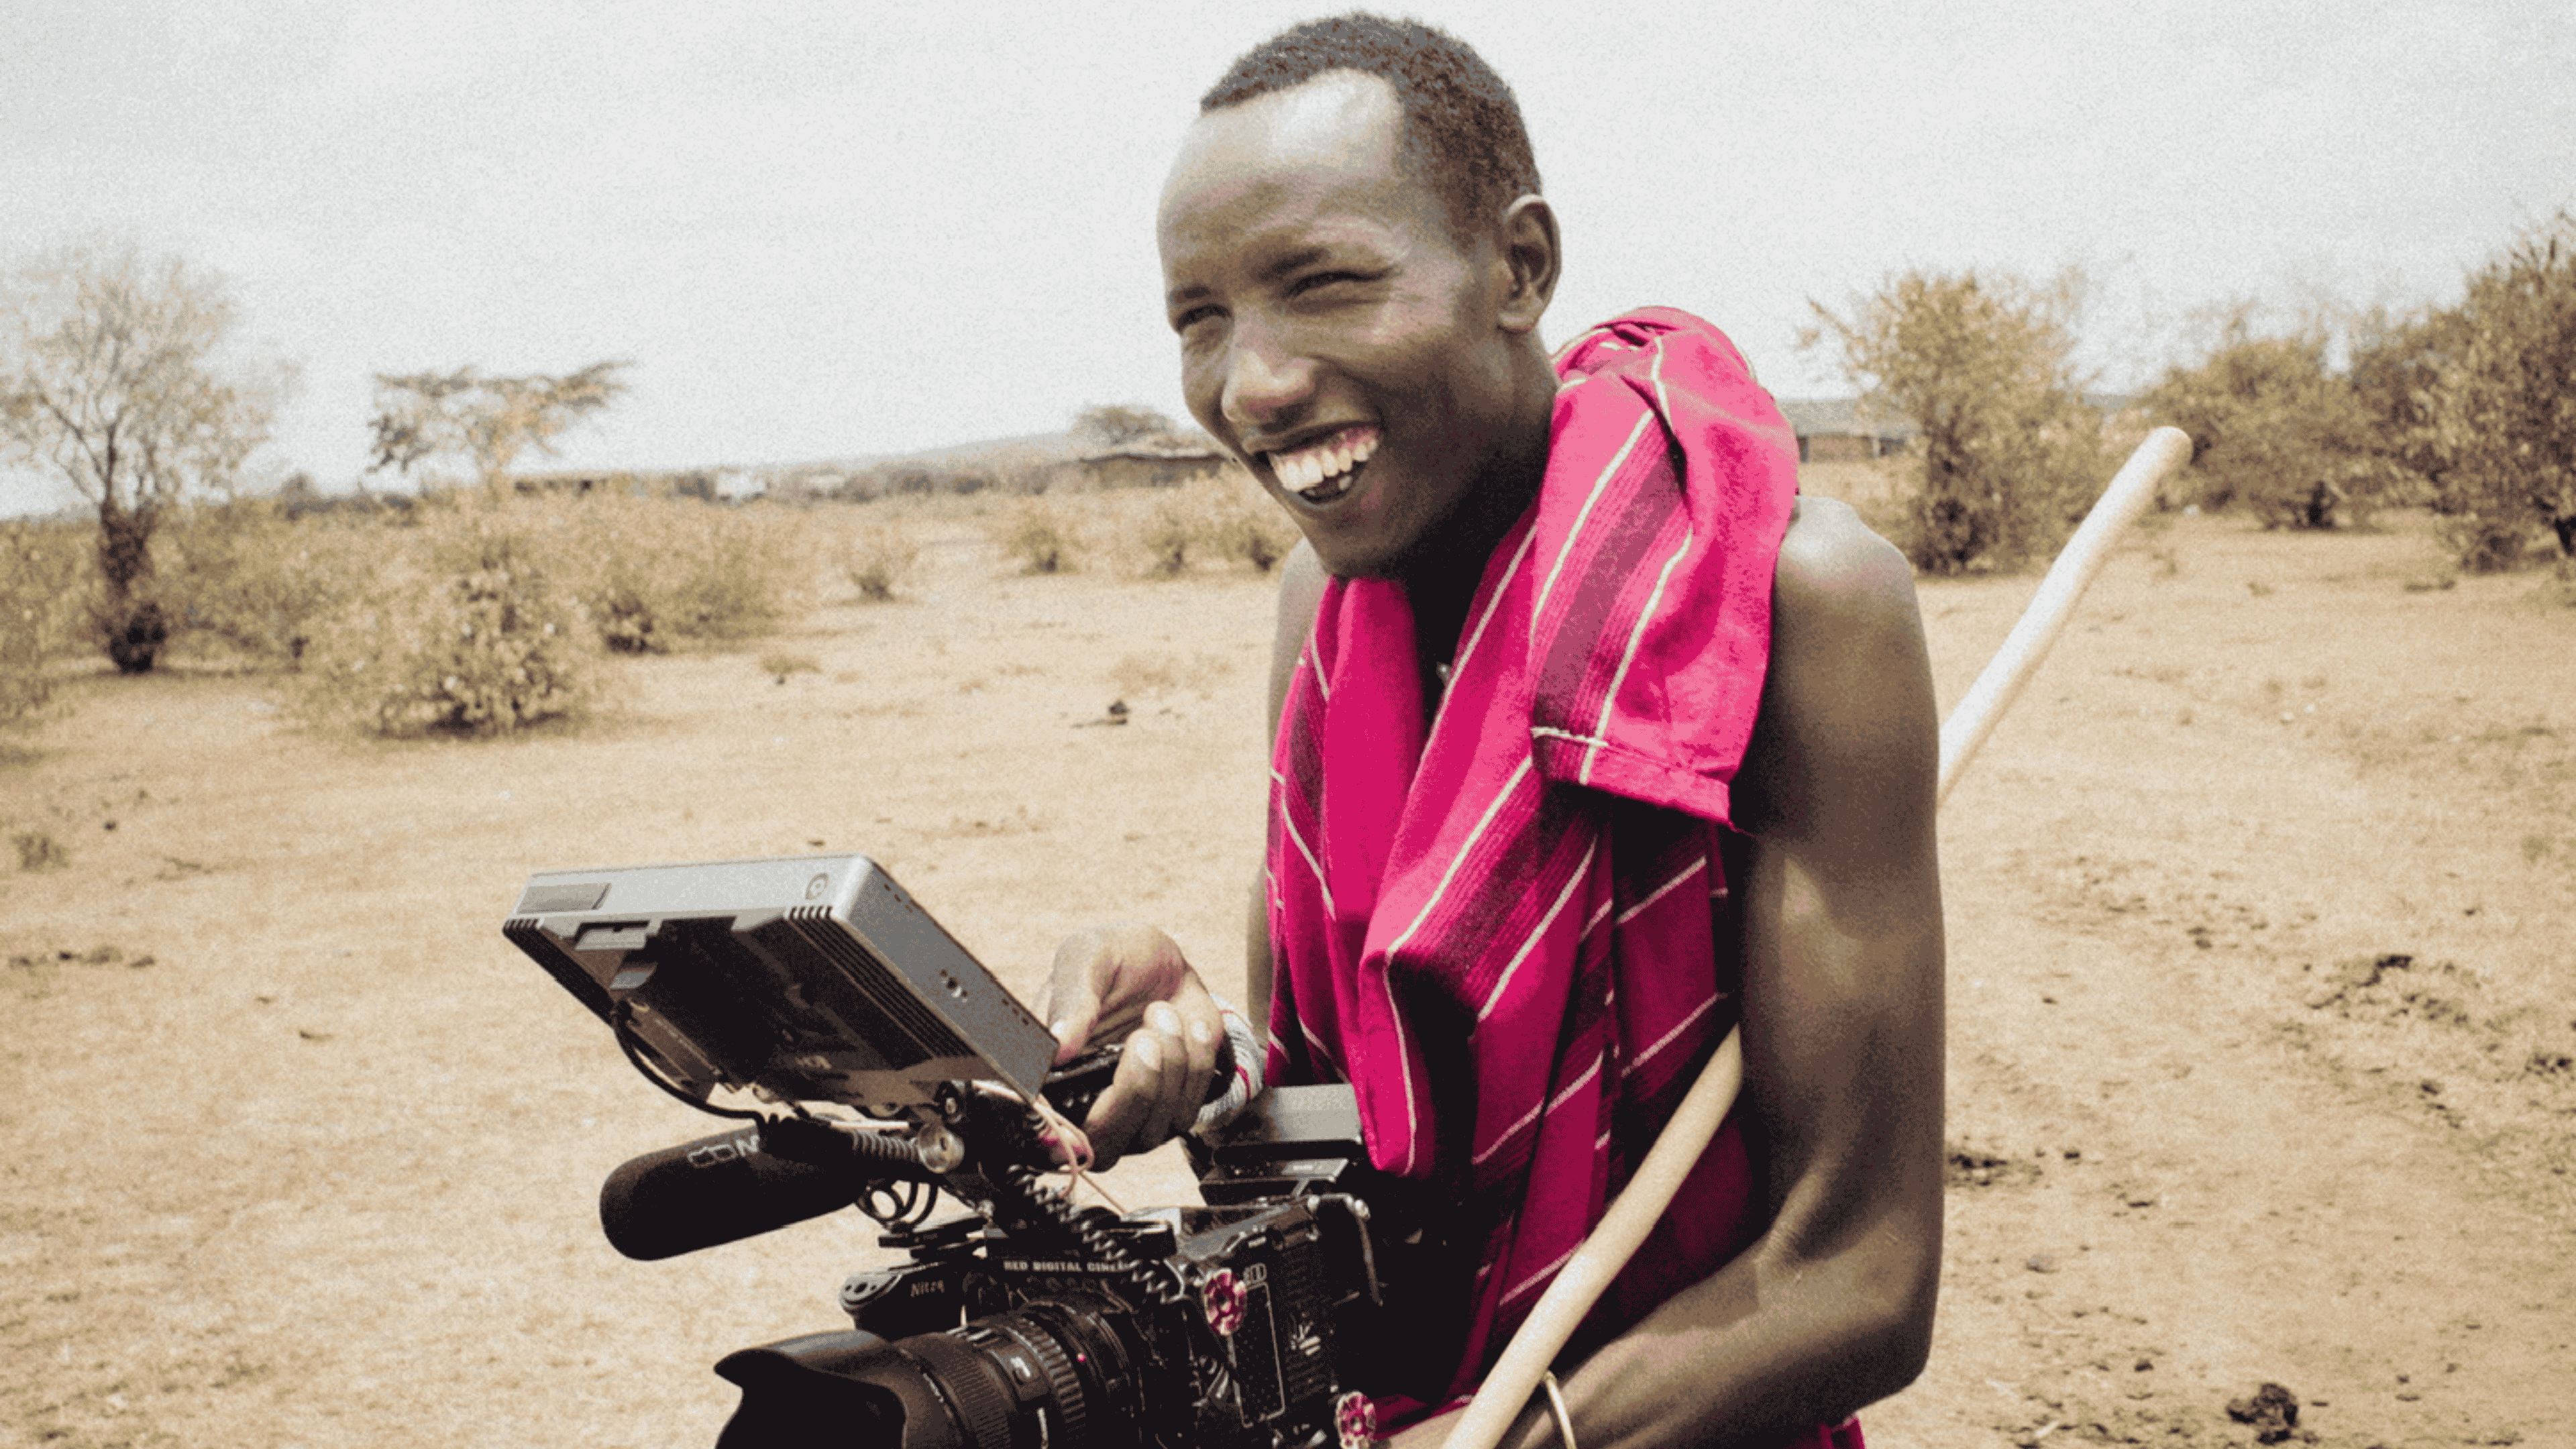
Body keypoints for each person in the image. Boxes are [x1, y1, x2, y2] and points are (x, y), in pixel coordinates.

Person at [1043, 15, 1943, 1448]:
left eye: (1323, 285)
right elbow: (1342, 1139)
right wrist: (1207, 1062)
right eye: (1200, 319)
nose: (1254, 383)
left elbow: (1858, 1277)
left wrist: (1511, 1444)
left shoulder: (1791, 603)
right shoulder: (1324, 607)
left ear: (1519, 266)